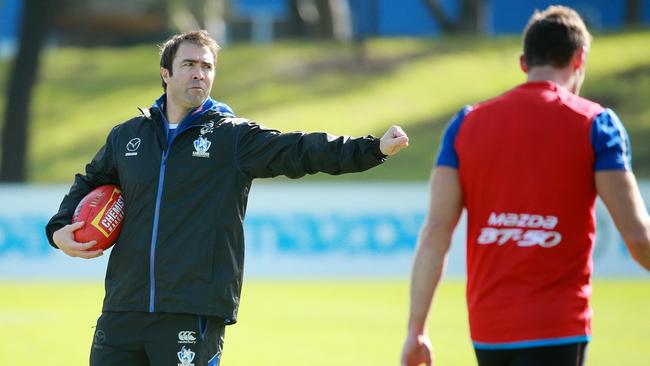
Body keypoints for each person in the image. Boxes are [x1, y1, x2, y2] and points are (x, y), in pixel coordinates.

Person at [45, 30, 409, 366]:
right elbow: (91, 180)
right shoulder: (127, 136)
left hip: (191, 311)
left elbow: (301, 150)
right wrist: (60, 227)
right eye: (189, 64)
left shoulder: (232, 138)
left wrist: (372, 149)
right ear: (165, 74)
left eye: (207, 66)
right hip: (122, 309)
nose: (199, 74)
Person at [400, 6, 650, 366]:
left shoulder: (465, 125)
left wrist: (416, 330)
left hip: (489, 329)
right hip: (558, 325)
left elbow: (436, 232)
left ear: (523, 62)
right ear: (579, 59)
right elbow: (639, 239)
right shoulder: (596, 124)